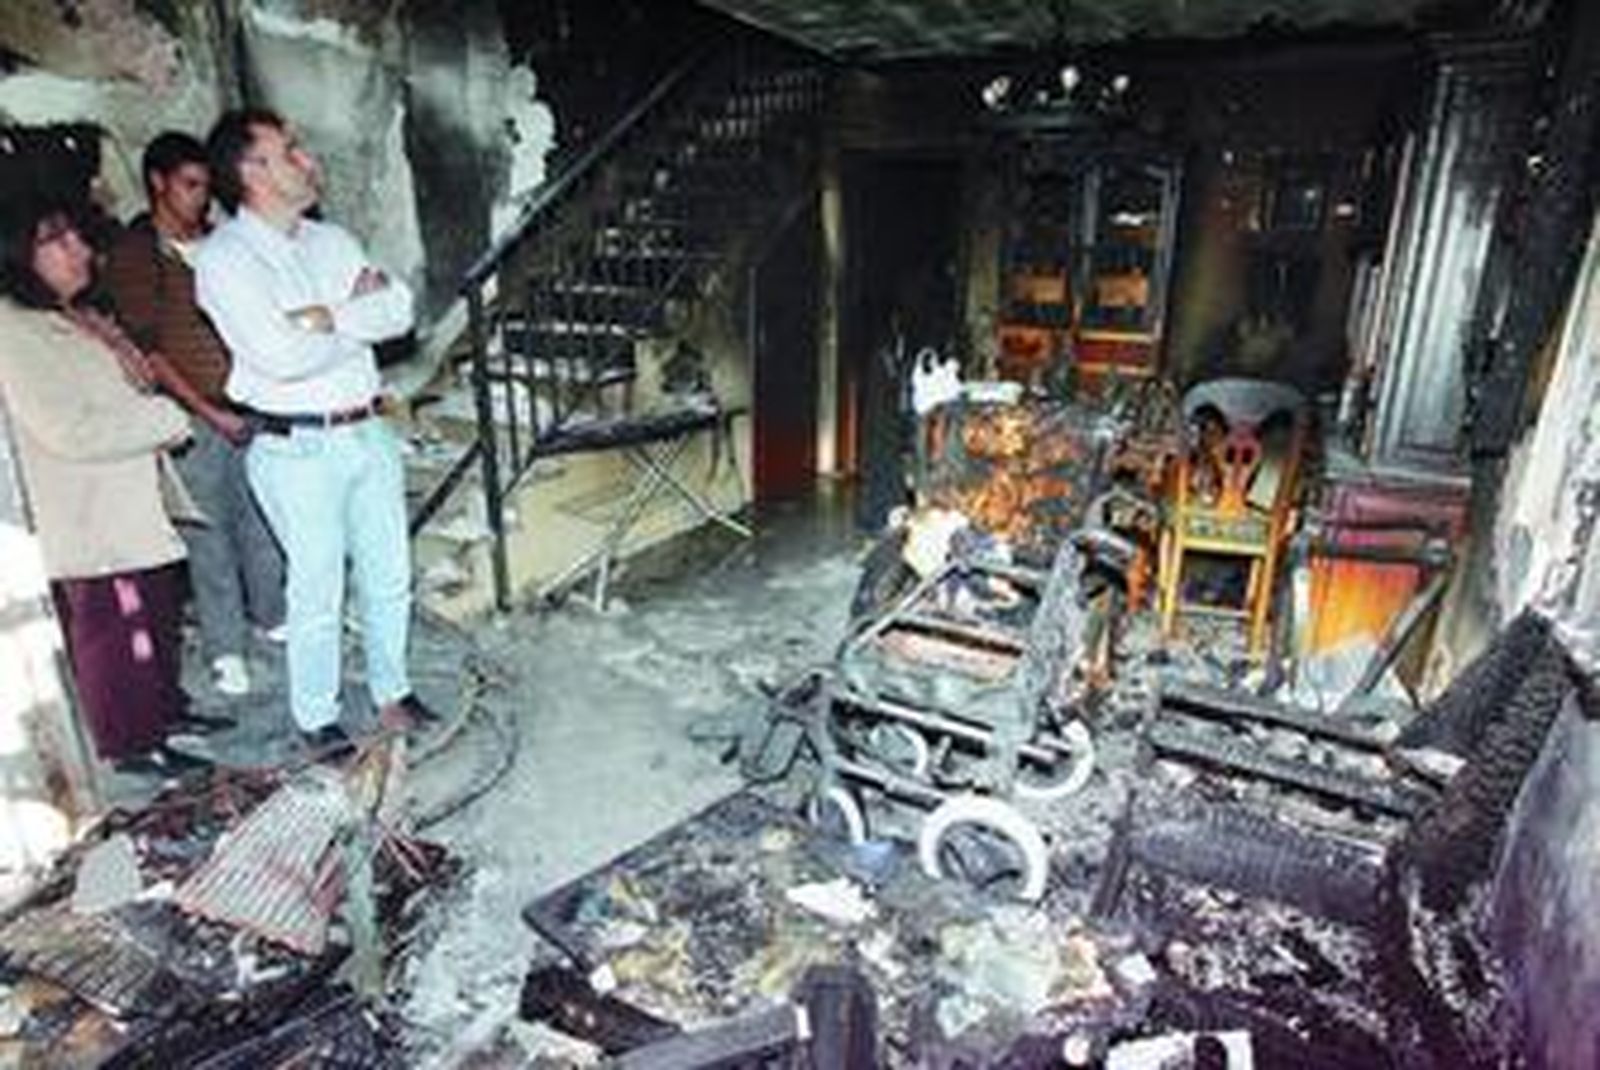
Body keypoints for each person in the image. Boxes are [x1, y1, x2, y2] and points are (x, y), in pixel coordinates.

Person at [194, 108, 435, 752]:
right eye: (291, 149)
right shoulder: (225, 260)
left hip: (368, 430)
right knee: (317, 588)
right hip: (295, 446)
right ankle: (316, 717)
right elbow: (279, 356)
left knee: (389, 573)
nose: (307, 159)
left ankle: (393, 693)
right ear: (253, 171)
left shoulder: (330, 241)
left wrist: (323, 318)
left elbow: (400, 311)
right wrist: (353, 312)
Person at [0, 197, 209, 775]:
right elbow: (68, 429)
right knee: (120, 631)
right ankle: (133, 741)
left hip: (129, 497)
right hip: (90, 511)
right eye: (59, 243)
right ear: (20, 254)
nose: (81, 252)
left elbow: (128, 386)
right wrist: (166, 419)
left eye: (78, 240)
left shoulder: (76, 313)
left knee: (157, 612)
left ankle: (165, 711)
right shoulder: (13, 331)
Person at [103, 131, 285, 699]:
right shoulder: (138, 254)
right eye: (190, 186)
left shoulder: (220, 242)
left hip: (248, 403)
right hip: (193, 416)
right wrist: (207, 410)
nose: (202, 198)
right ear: (158, 182)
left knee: (261, 520)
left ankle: (271, 618)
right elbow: (150, 352)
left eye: (207, 186)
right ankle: (226, 648)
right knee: (209, 538)